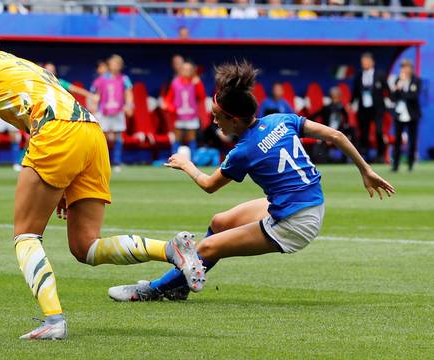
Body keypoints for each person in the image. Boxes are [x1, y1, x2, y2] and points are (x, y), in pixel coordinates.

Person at [0, 19, 204, 341]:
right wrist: (61, 181)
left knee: (26, 236)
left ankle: (54, 321)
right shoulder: (18, 63)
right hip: (90, 131)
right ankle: (171, 249)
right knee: (85, 246)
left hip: (56, 134)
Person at [107, 61, 394, 302]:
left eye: (218, 117)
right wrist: (365, 170)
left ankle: (152, 291)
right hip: (305, 203)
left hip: (295, 223)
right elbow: (336, 136)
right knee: (219, 223)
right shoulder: (280, 119)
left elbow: (208, 185)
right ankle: (179, 287)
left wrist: (186, 165)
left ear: (234, 119)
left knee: (205, 249)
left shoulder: (242, 151)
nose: (214, 121)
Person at [91, 54, 134, 172]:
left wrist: (129, 105)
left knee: (118, 136)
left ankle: (117, 161)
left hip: (118, 111)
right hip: (104, 112)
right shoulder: (101, 79)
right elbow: (95, 93)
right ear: (109, 65)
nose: (115, 66)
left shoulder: (124, 79)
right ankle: (103, 162)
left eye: (118, 64)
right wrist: (94, 105)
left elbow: (129, 92)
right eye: (113, 63)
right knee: (102, 137)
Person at [163, 61, 207, 156]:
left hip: (191, 115)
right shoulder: (175, 82)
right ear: (181, 70)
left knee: (191, 137)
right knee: (177, 137)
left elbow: (202, 97)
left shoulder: (195, 82)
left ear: (192, 71)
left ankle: (193, 159)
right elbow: (169, 98)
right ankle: (174, 158)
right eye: (184, 69)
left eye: (189, 69)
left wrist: (198, 83)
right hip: (178, 115)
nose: (186, 71)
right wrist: (170, 108)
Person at [352, 52, 387, 163]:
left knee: (378, 131)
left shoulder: (380, 74)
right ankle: (365, 156)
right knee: (364, 133)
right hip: (364, 109)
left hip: (377, 109)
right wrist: (351, 102)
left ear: (372, 62)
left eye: (367, 62)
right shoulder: (359, 75)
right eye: (363, 62)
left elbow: (387, 89)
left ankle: (381, 154)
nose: (365, 64)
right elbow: (356, 92)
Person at [310, 86, 356, 162]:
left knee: (352, 132)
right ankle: (320, 159)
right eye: (334, 96)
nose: (335, 98)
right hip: (326, 131)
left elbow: (346, 122)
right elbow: (314, 116)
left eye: (337, 96)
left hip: (339, 132)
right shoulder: (326, 108)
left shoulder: (342, 108)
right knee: (318, 144)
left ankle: (351, 158)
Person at [390, 60, 421, 172]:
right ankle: (395, 165)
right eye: (403, 68)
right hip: (399, 114)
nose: (404, 70)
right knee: (397, 140)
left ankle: (411, 164)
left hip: (412, 114)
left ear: (410, 69)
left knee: (412, 140)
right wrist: (398, 86)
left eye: (406, 67)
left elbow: (413, 96)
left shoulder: (416, 81)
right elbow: (393, 97)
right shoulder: (398, 80)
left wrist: (402, 91)